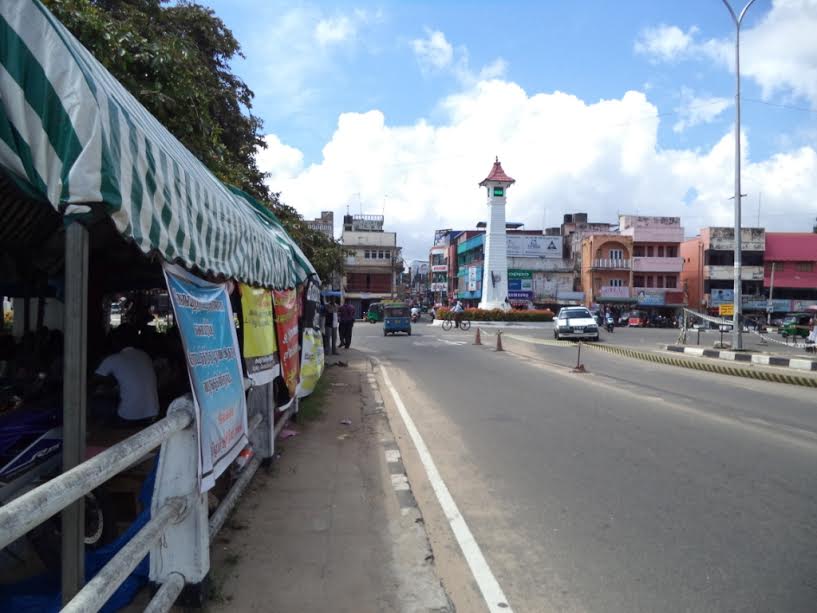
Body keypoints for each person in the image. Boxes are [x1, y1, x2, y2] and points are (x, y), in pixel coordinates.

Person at [93, 325, 159, 426]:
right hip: (152, 415)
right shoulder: (144, 355)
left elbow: (94, 381)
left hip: (127, 418)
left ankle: (101, 430)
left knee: (98, 400)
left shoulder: (113, 359)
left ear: (115, 341)